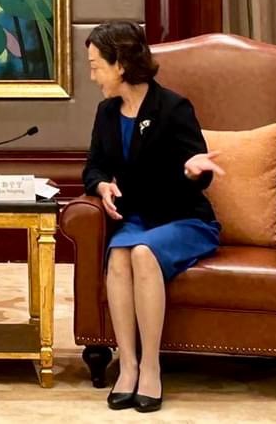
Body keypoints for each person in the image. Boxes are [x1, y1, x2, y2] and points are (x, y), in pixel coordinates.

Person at [81, 21, 225, 413]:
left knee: (142, 253)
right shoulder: (107, 113)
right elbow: (93, 167)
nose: (93, 76)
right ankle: (127, 365)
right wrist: (101, 186)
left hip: (184, 218)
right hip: (137, 219)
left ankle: (151, 367)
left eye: (96, 67)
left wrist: (193, 171)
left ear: (120, 65)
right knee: (118, 255)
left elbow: (199, 171)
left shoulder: (173, 108)